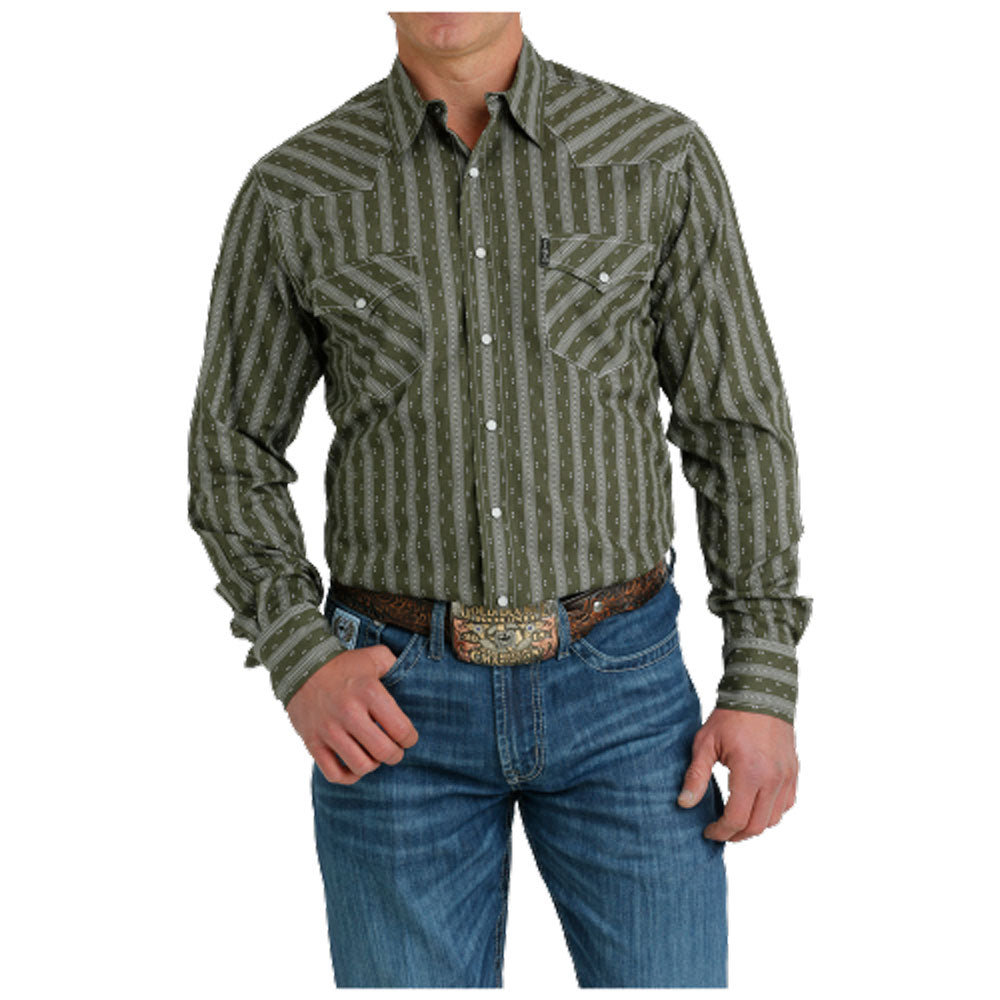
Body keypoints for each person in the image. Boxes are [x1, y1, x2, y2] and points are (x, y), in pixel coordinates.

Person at [187, 11, 812, 989]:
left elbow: (735, 425)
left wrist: (761, 677)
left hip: (626, 694)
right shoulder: (297, 188)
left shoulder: (655, 155)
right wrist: (299, 654)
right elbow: (231, 447)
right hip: (391, 707)